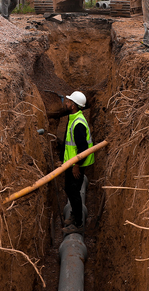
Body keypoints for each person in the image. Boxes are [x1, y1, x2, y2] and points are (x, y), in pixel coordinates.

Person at [59, 91, 94, 234]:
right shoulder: (74, 118)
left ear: (73, 105)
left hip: (76, 165)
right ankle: (74, 214)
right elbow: (68, 144)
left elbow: (83, 148)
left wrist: (77, 166)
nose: (66, 103)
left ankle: (78, 224)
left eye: (68, 102)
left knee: (74, 192)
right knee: (69, 189)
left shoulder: (78, 123)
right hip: (70, 163)